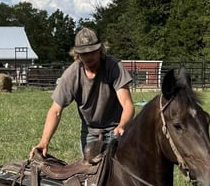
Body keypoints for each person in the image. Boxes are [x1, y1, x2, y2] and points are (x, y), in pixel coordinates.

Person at [30, 28, 135, 157]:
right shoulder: (72, 74)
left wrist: (122, 125)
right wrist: (44, 142)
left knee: (120, 165)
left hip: (116, 129)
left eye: (92, 52)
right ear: (77, 54)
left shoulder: (114, 66)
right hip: (90, 132)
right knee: (88, 167)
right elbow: (55, 111)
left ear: (100, 50)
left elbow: (127, 104)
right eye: (84, 53)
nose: (89, 56)